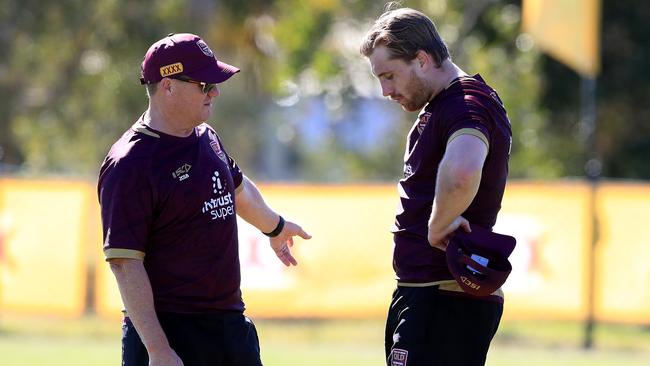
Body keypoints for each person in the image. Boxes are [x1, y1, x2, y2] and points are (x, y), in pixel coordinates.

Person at [97, 33, 311, 366]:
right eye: (204, 85)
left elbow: (238, 190)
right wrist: (157, 350)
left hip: (228, 326)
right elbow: (125, 263)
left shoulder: (206, 137)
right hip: (172, 332)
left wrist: (275, 227)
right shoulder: (130, 164)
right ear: (168, 86)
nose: (215, 92)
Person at [361, 7, 513, 366]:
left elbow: (462, 169)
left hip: (444, 296)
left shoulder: (467, 104)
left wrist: (438, 225)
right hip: (429, 293)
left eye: (389, 76)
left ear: (422, 59)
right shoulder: (446, 106)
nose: (385, 90)